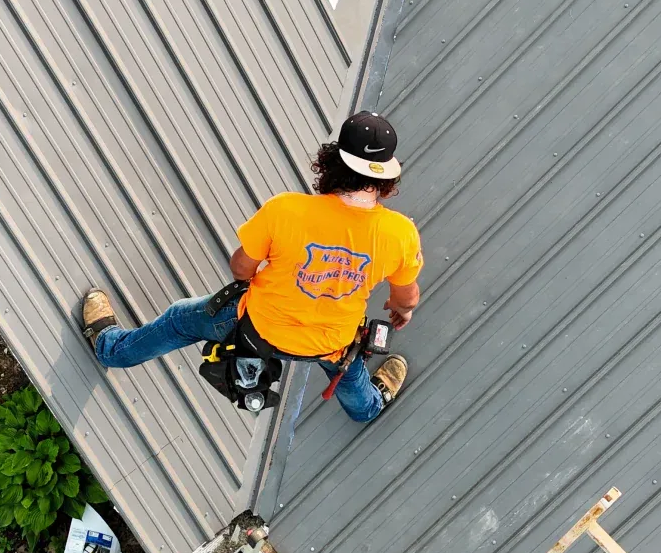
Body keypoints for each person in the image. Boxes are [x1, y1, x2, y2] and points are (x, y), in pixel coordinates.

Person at [80, 111, 423, 422]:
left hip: (257, 329)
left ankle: (111, 350)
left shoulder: (286, 210)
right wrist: (401, 312)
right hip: (331, 342)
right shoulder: (400, 233)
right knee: (350, 374)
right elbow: (405, 299)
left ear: (332, 161)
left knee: (180, 318)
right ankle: (370, 406)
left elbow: (241, 268)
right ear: (385, 177)